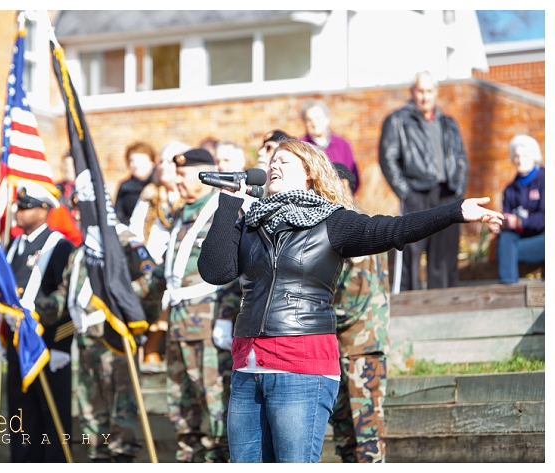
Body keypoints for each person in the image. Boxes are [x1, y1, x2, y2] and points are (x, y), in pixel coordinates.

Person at [197, 138, 503, 463]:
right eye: (272, 160)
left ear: (310, 174)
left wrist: (454, 212)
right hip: (248, 365)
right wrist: (228, 202)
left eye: (285, 161)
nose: (274, 165)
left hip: (301, 365)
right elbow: (215, 272)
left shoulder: (332, 221)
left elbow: (394, 229)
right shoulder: (250, 223)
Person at [147, 148, 241, 462]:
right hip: (177, 322)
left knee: (214, 403)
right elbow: (167, 268)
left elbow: (232, 267)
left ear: (205, 173)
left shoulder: (222, 210)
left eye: (184, 174)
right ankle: (189, 457)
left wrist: (227, 317)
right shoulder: (180, 213)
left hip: (208, 320)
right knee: (180, 402)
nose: (177, 181)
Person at [34, 226, 158, 463]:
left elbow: (150, 278)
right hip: (86, 341)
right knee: (91, 412)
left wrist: (132, 317)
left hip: (114, 339)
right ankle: (98, 458)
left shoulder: (123, 240)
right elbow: (66, 292)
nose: (79, 215)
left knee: (120, 412)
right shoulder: (81, 251)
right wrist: (35, 310)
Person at [0, 180, 76, 463]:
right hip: (18, 342)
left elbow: (67, 300)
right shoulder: (14, 245)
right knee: (21, 413)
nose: (19, 212)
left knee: (51, 415)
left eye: (27, 207)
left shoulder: (59, 246)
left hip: (47, 344)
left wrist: (63, 345)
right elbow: (4, 294)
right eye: (19, 206)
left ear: (43, 211)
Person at [379, 71, 470, 291]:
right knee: (411, 252)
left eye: (429, 91)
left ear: (435, 93)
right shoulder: (398, 120)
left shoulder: (449, 123)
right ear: (412, 92)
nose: (425, 96)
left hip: (446, 194)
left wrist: (457, 190)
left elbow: (461, 158)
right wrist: (405, 192)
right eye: (420, 90)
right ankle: (408, 309)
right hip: (416, 194)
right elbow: (387, 157)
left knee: (444, 256)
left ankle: (444, 307)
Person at [328, 162, 389, 463]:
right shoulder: (338, 223)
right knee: (345, 437)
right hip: (339, 347)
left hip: (361, 347)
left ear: (341, 185)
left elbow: (357, 292)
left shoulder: (356, 224)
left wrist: (315, 317)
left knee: (367, 437)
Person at [128, 140, 190, 363]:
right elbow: (133, 234)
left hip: (176, 272)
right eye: (161, 161)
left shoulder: (190, 201)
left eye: (170, 162)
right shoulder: (149, 195)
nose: (163, 166)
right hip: (148, 269)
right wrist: (146, 263)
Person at [488, 134, 545, 284]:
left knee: (505, 250)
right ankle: (509, 290)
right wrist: (499, 224)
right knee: (505, 238)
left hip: (543, 239)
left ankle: (509, 293)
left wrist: (520, 221)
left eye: (524, 155)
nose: (520, 159)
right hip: (520, 240)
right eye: (517, 156)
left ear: (534, 156)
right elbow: (507, 218)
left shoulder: (546, 180)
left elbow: (545, 218)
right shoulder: (509, 190)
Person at [299, 99, 360, 191]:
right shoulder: (300, 146)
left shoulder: (343, 144)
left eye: (317, 118)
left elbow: (354, 177)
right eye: (309, 120)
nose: (314, 123)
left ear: (327, 119)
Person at [115, 141, 157, 225]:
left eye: (140, 160)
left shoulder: (160, 184)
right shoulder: (125, 188)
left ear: (152, 162)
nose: (135, 164)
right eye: (131, 160)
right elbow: (119, 216)